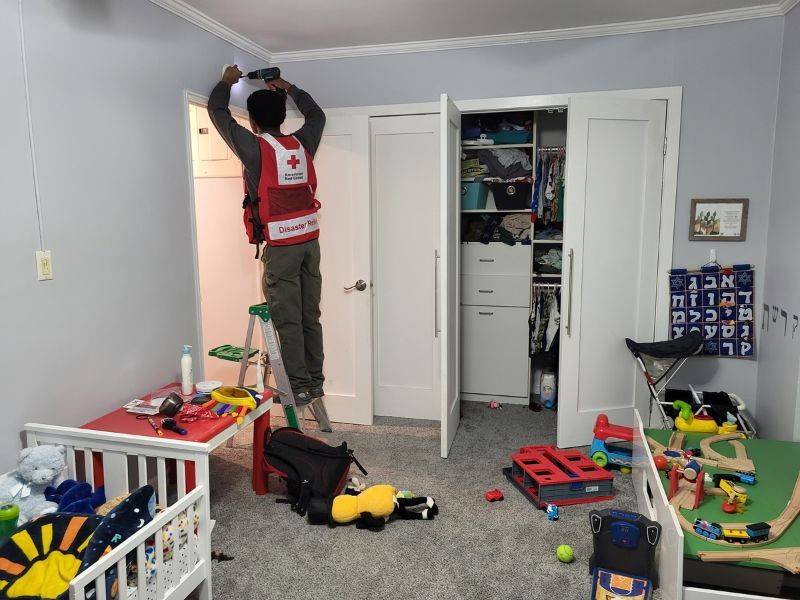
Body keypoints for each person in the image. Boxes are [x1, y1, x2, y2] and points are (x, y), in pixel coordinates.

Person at [207, 65, 326, 406]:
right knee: (309, 316)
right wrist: (287, 85)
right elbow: (316, 114)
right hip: (309, 243)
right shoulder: (303, 142)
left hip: (282, 246)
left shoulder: (255, 148)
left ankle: (300, 387)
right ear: (282, 118)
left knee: (287, 318)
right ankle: (315, 382)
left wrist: (226, 83)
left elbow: (218, 114)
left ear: (254, 123)